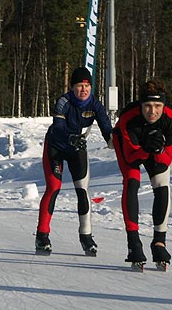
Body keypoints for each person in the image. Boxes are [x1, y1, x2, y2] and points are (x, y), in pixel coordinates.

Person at [35, 67, 113, 256]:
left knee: (82, 189)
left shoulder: (95, 104)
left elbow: (106, 127)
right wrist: (70, 137)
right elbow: (59, 126)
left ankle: (86, 237)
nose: (83, 90)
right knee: (54, 187)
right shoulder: (64, 101)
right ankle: (42, 235)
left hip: (77, 148)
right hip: (56, 146)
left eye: (87, 86)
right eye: (79, 86)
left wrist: (115, 142)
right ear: (72, 87)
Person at [112, 79, 172, 269]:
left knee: (161, 185)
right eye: (148, 106)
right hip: (130, 147)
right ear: (140, 105)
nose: (153, 111)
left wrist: (158, 150)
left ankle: (159, 242)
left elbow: (165, 161)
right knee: (132, 181)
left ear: (164, 105)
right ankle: (133, 242)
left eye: (158, 106)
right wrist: (146, 148)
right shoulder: (129, 118)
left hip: (154, 150)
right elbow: (131, 158)